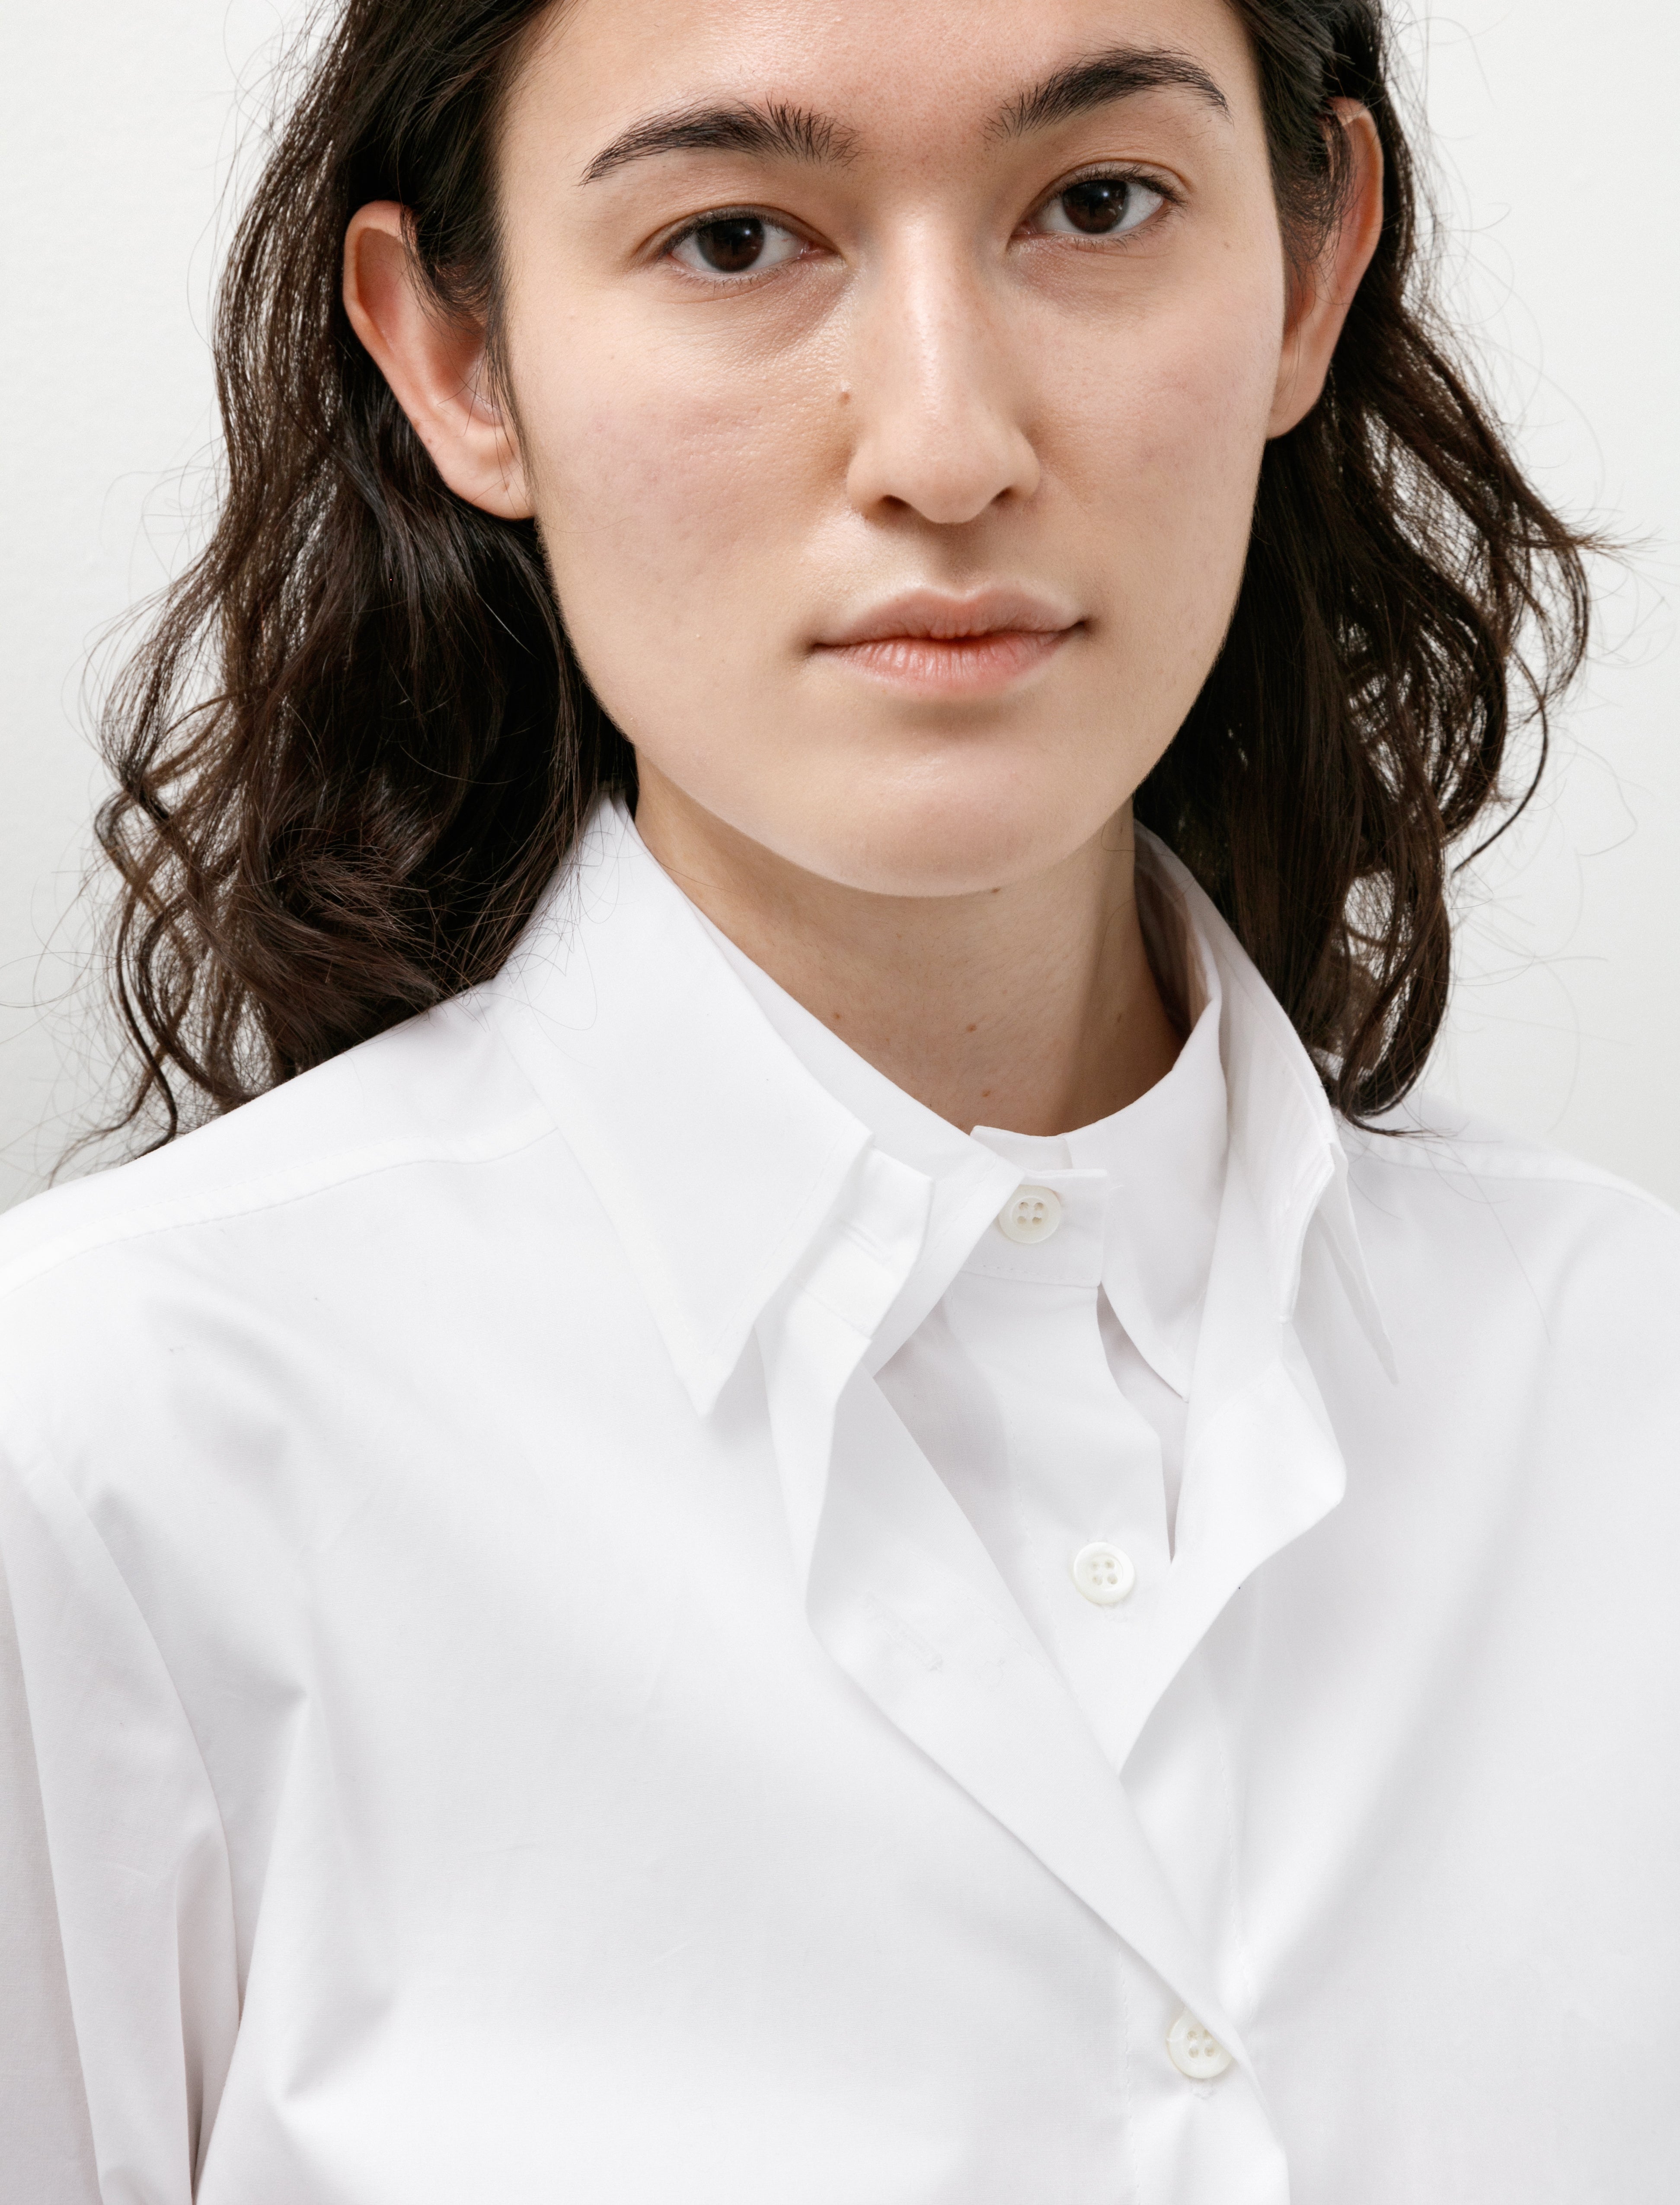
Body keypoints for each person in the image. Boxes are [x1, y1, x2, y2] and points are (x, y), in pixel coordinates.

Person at [1, 0, 1674, 2198]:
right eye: (732, 241)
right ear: (459, 357)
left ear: (1309, 270)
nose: (947, 446)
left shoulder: (1628, 1393)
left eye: (1098, 203)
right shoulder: (104, 1451)